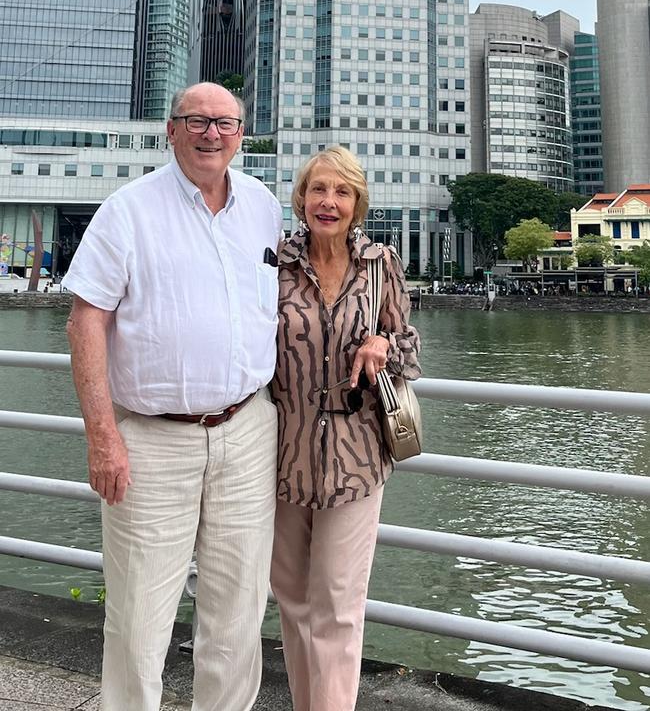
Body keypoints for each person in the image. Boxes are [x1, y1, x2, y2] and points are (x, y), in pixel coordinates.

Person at [63, 82, 283, 711]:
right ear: (171, 129)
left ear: (242, 133)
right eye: (197, 121)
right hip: (152, 440)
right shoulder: (129, 210)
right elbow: (86, 321)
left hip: (247, 428)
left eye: (226, 123)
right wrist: (103, 436)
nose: (212, 133)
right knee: (138, 617)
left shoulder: (264, 207)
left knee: (238, 613)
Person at [270, 146, 420, 711]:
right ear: (301, 198)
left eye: (341, 192)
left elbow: (409, 343)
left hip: (357, 457)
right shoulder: (276, 264)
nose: (327, 202)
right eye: (317, 190)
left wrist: (386, 343)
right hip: (282, 455)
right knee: (291, 598)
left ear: (357, 204)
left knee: (337, 602)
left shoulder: (380, 264)